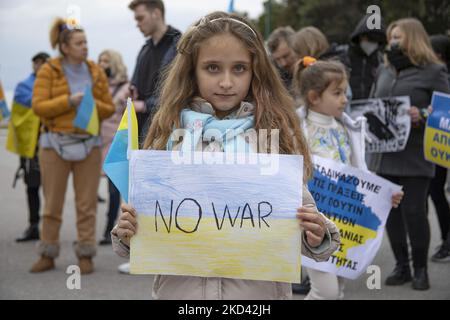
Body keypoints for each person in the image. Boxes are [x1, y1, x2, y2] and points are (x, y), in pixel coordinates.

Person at [111, 11, 341, 299]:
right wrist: (127, 233)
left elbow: (300, 220)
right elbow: (146, 227)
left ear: (255, 71)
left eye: (239, 69)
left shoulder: (268, 136)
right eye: (212, 68)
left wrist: (316, 234)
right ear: (191, 71)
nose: (226, 82)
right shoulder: (170, 135)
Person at [294, 57, 403, 299]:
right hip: (315, 223)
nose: (345, 98)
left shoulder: (347, 128)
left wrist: (385, 194)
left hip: (345, 222)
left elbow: (359, 172)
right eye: (337, 93)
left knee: (339, 288)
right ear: (314, 97)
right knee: (326, 292)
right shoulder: (298, 131)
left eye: (345, 92)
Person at [369, 18, 450, 290]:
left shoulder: (434, 70)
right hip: (385, 155)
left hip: (416, 155)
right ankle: (401, 266)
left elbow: (444, 109)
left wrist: (424, 114)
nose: (392, 41)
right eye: (391, 35)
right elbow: (372, 102)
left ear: (413, 38)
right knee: (391, 213)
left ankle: (420, 269)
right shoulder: (385, 69)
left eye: (399, 36)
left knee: (415, 212)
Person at [30, 18, 114, 274]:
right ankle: (47, 253)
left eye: (86, 42)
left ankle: (86, 256)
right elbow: (38, 106)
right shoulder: (49, 70)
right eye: (79, 43)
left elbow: (108, 107)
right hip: (54, 144)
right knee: (52, 203)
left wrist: (88, 103)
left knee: (86, 204)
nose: (85, 47)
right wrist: (68, 101)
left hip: (89, 145)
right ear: (64, 47)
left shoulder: (95, 71)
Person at [128, 0, 182, 145]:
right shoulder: (144, 50)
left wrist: (144, 105)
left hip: (166, 131)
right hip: (140, 130)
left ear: (156, 13)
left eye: (140, 18)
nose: (138, 24)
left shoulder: (180, 46)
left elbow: (180, 92)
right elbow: (134, 85)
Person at [13, 52, 50, 242]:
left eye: (44, 64)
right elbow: (37, 104)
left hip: (50, 143)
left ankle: (50, 229)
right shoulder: (23, 86)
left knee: (51, 189)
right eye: (37, 63)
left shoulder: (53, 86)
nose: (40, 67)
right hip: (32, 146)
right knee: (33, 187)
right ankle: (34, 225)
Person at [97, 50, 130, 245]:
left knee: (114, 190)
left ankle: (110, 229)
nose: (102, 64)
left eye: (106, 61)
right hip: (98, 143)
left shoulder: (126, 87)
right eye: (100, 60)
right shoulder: (98, 87)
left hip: (116, 145)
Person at [428, 34, 450, 262]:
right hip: (439, 147)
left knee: (437, 192)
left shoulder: (440, 77)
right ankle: (447, 241)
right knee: (436, 192)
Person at [347, 14, 387, 100]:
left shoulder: (381, 60)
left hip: (371, 108)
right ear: (360, 36)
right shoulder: (345, 57)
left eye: (377, 40)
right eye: (370, 38)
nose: (372, 43)